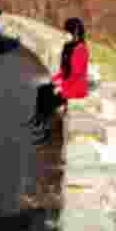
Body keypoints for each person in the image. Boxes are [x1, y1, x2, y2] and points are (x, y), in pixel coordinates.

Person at [24, 17, 90, 145]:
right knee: (43, 89)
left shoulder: (80, 49)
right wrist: (54, 80)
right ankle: (39, 120)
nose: (64, 34)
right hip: (68, 83)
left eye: (67, 32)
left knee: (50, 98)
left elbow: (76, 75)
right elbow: (63, 70)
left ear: (75, 33)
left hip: (76, 87)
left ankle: (46, 134)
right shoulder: (68, 46)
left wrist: (62, 86)